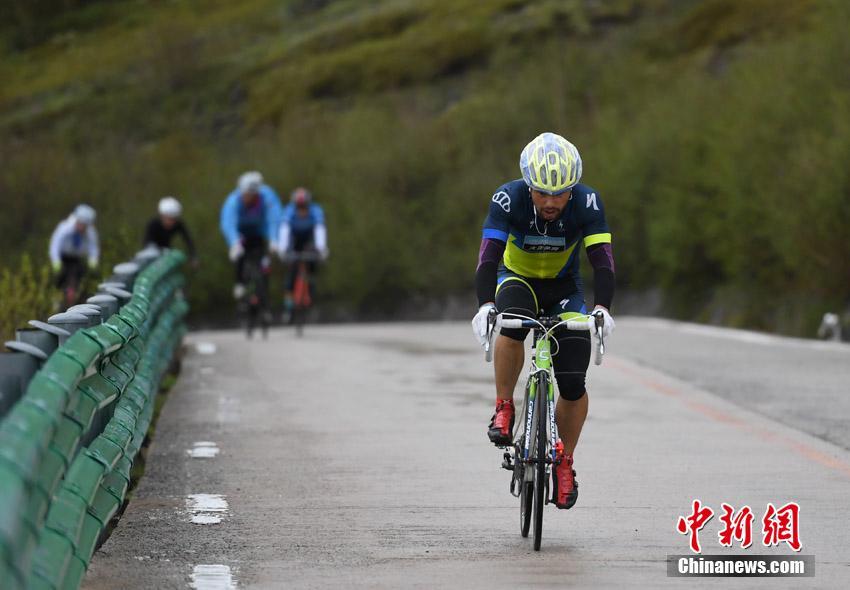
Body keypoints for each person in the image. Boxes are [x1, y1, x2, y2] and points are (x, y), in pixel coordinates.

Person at [470, 132, 616, 510]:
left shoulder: (587, 202)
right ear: (528, 186)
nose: (551, 203)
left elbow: (602, 261)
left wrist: (602, 308)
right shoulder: (508, 198)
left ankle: (564, 461)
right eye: (541, 193)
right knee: (512, 322)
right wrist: (485, 305)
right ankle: (504, 405)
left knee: (573, 382)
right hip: (517, 280)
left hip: (565, 288)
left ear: (572, 189)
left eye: (560, 194)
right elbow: (488, 257)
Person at [219, 171, 282, 299]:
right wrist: (234, 243)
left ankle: (263, 291)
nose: (247, 198)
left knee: (264, 261)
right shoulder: (233, 201)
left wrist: (274, 239)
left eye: (251, 195)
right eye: (245, 195)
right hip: (241, 233)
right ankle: (239, 283)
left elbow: (274, 218)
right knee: (240, 255)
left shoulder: (267, 197)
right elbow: (228, 223)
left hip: (259, 232)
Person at [277, 187, 328, 321]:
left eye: (304, 207)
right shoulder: (288, 212)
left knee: (312, 268)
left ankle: (310, 293)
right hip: (294, 242)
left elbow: (319, 229)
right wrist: (282, 248)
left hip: (309, 242)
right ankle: (288, 307)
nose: (301, 210)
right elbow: (284, 230)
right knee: (291, 275)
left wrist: (321, 248)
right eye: (299, 207)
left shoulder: (316, 211)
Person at [49, 204, 99, 301]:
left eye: (84, 226)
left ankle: (76, 299)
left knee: (79, 279)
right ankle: (56, 300)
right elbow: (55, 246)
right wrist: (56, 261)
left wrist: (93, 261)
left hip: (76, 259)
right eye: (80, 224)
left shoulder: (90, 232)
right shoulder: (64, 228)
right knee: (59, 279)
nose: (82, 228)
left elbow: (93, 248)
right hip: (63, 258)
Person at [143, 196, 198, 266]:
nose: (172, 222)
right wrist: (156, 252)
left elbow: (188, 239)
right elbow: (147, 242)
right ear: (162, 216)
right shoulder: (153, 224)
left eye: (174, 219)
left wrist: (193, 256)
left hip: (167, 252)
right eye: (169, 219)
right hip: (152, 253)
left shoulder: (178, 224)